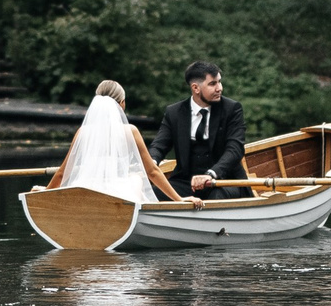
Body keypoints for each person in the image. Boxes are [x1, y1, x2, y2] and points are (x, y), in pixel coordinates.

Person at [43, 79, 168, 202]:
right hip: (118, 194)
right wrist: (179, 199)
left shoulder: (83, 132)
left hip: (86, 189)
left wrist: (45, 192)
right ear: (122, 103)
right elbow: (152, 172)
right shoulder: (130, 131)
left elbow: (62, 173)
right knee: (136, 178)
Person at [143, 61, 248, 198]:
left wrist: (211, 174)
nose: (219, 88)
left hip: (224, 181)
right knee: (152, 195)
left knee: (216, 198)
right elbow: (159, 146)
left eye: (219, 82)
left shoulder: (232, 109)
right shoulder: (174, 112)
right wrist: (151, 162)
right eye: (213, 84)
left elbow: (235, 149)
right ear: (195, 88)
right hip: (185, 181)